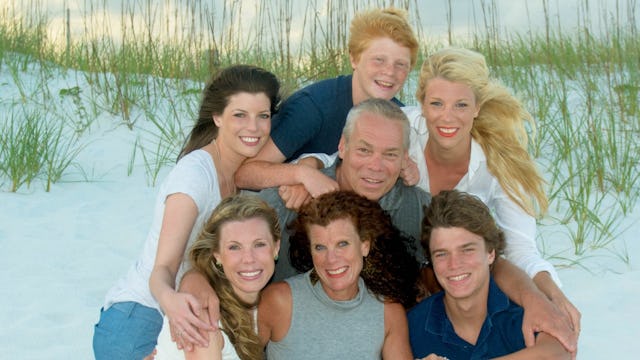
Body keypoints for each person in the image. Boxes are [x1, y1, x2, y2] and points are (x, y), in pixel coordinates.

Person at [176, 98, 577, 355]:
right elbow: (222, 247)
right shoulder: (290, 195)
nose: (375, 166)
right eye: (364, 150)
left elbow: (477, 253)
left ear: (405, 157)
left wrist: (537, 297)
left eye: (389, 154)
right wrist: (193, 278)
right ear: (343, 148)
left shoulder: (415, 206)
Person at [92, 65, 280, 360]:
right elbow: (162, 269)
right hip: (141, 317)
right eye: (240, 115)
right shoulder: (194, 177)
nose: (253, 128)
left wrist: (309, 169)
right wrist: (172, 303)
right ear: (217, 117)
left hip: (186, 308)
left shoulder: (241, 175)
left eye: (263, 116)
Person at [402, 47, 581, 342]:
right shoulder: (401, 130)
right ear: (421, 103)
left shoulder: (500, 160)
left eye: (460, 105)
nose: (447, 117)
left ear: (477, 107)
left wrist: (552, 294)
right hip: (399, 264)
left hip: (458, 270)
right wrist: (309, 165)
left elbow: (520, 249)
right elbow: (345, 158)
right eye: (436, 103)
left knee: (539, 317)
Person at [233, 7, 420, 206]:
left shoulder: (400, 118)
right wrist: (302, 174)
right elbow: (244, 173)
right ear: (354, 58)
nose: (390, 72)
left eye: (401, 64)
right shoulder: (313, 107)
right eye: (379, 60)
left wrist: (407, 170)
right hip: (279, 209)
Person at [409, 190, 570, 359]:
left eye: (467, 250)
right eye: (441, 254)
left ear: (491, 253)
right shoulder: (415, 324)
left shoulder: (523, 311)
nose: (454, 264)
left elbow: (559, 352)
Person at [260, 190, 419, 359]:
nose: (331, 259)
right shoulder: (279, 300)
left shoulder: (389, 314)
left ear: (365, 245)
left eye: (342, 244)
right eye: (320, 247)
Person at [154, 194, 281, 360]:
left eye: (259, 244)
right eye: (234, 247)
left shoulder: (264, 306)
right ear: (217, 255)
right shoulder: (203, 317)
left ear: (276, 247)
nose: (249, 258)